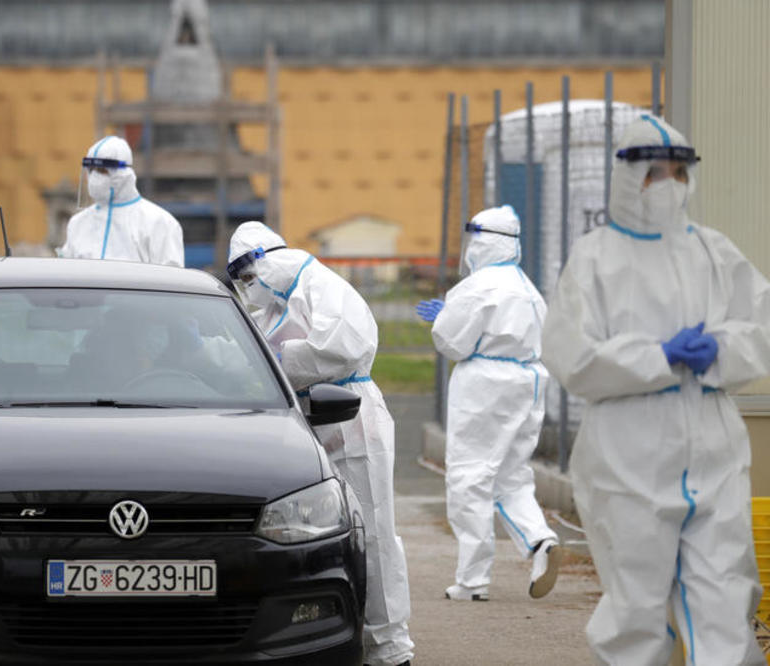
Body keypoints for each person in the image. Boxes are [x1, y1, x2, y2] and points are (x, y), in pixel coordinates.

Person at [541, 114, 769, 664]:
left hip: (711, 440)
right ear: (626, 176)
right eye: (653, 173)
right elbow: (571, 355)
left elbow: (760, 325)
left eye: (677, 172)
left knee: (725, 594)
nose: (667, 184)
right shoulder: (596, 256)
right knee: (636, 609)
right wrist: (656, 357)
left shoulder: (713, 250)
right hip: (628, 452)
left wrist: (722, 350)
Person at [227, 221, 414, 666]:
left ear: (268, 261)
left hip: (350, 420)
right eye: (241, 283)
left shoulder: (322, 287)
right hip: (303, 425)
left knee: (373, 532)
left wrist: (273, 362)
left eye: (249, 278)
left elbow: (341, 348)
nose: (247, 289)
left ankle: (390, 648)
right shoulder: (275, 302)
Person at [417, 205, 559, 603]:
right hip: (529, 381)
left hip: (485, 387)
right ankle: (540, 541)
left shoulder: (477, 287)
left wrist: (444, 317)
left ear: (481, 241)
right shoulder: (528, 289)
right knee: (511, 476)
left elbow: (452, 342)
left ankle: (472, 579)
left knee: (470, 477)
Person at [58, 136, 184, 267]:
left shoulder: (159, 223)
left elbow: (170, 280)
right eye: (91, 169)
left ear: (124, 173)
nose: (95, 176)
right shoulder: (78, 224)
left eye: (102, 170)